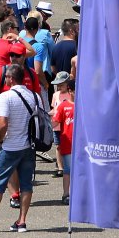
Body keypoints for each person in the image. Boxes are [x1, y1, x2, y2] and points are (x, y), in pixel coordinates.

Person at [0, 52, 42, 233]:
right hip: (29, 146)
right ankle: (21, 222)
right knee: (26, 184)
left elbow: (3, 123)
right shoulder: (34, 96)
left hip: (11, 145)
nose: (4, 79)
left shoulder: (6, 97)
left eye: (6, 76)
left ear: (11, 79)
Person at [50, 72, 75, 202]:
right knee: (68, 170)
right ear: (70, 91)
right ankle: (66, 193)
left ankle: (79, 193)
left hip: (81, 144)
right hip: (67, 142)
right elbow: (55, 121)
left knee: (80, 171)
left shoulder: (83, 105)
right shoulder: (63, 106)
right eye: (75, 91)